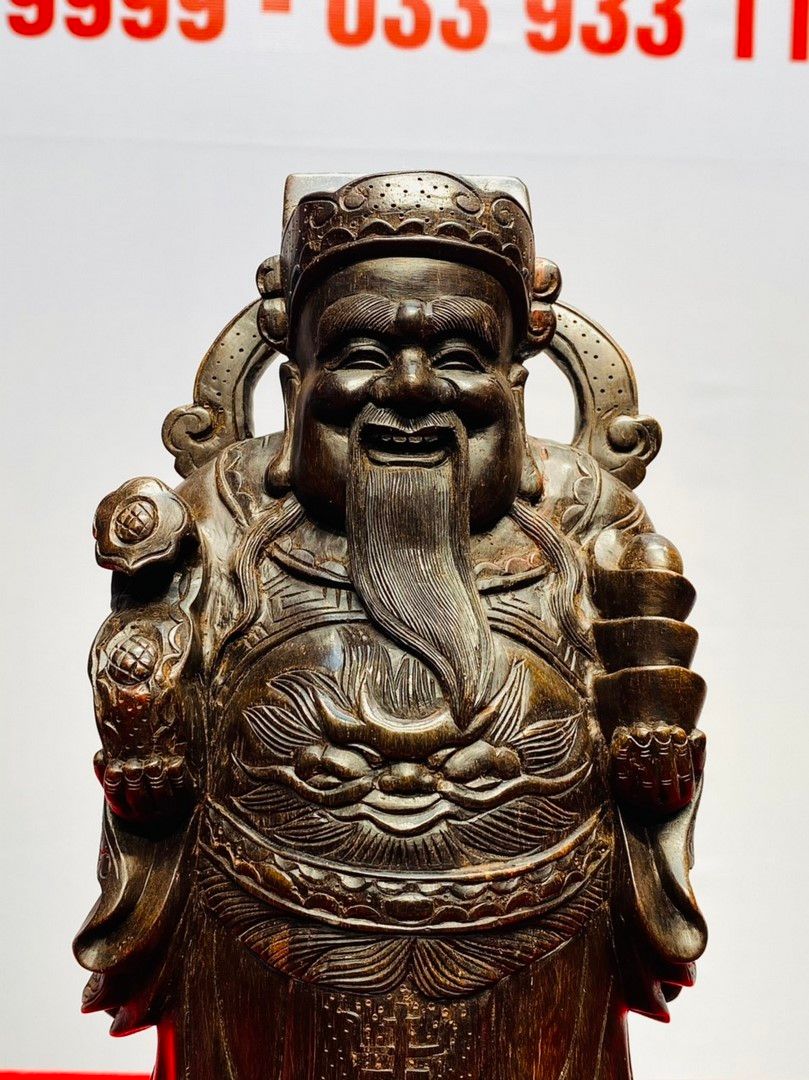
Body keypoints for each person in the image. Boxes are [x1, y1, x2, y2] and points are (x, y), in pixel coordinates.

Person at [75, 172, 706, 1080]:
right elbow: (150, 763)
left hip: (534, 955)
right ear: (295, 384)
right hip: (264, 955)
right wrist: (147, 742)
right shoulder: (221, 523)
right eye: (364, 352)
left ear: (513, 385)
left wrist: (652, 765)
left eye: (458, 356)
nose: (410, 388)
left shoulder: (585, 529)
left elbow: (649, 751)